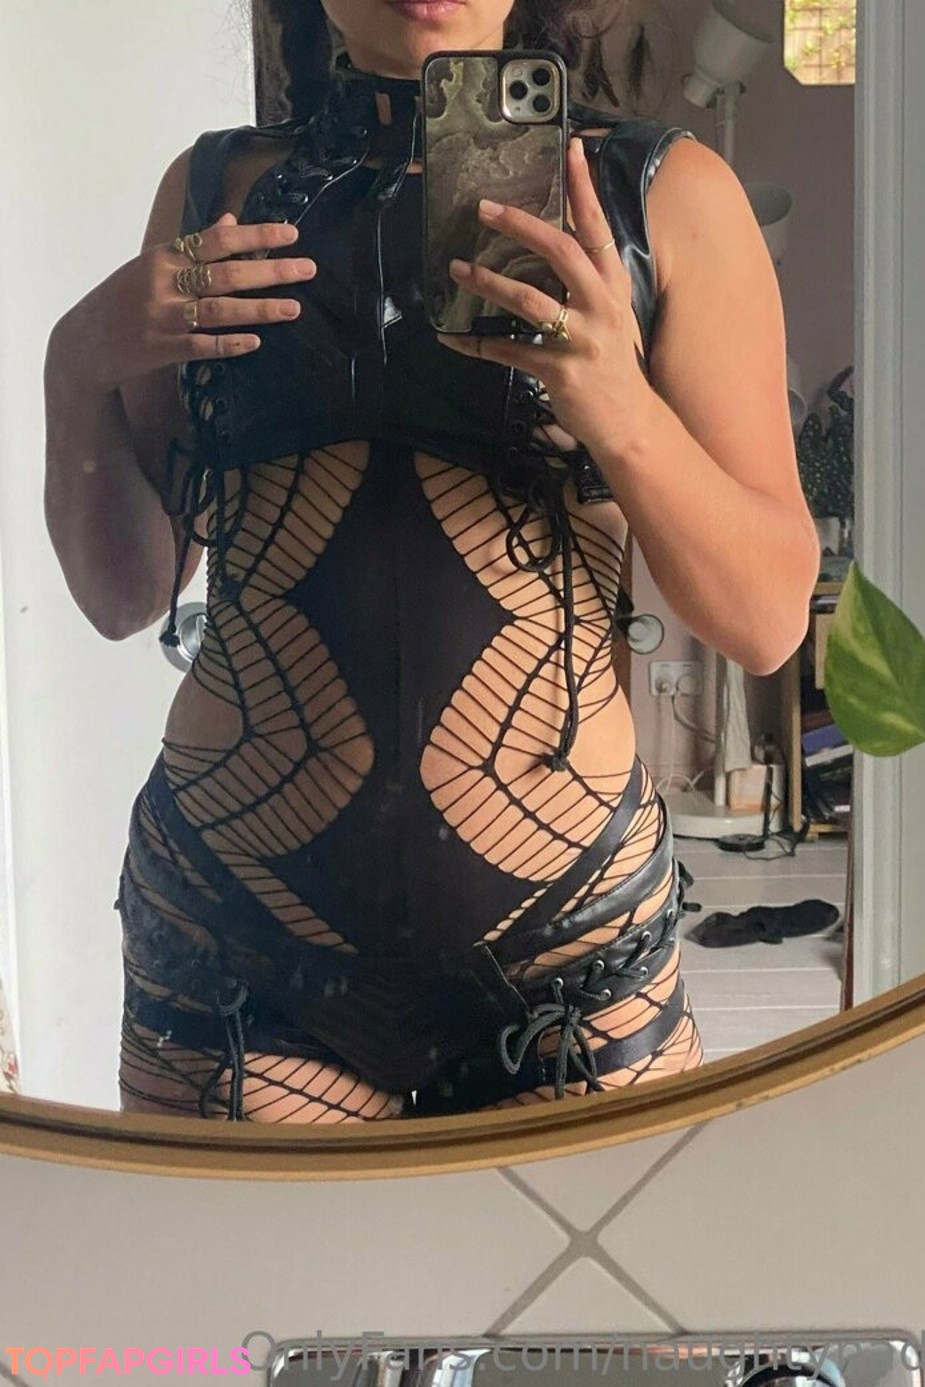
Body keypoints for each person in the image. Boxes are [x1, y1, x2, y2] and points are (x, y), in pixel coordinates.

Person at [43, 0, 820, 1122]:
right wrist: (76, 367)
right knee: (247, 1259)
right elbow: (125, 593)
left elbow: (767, 617)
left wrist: (620, 407)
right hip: (235, 956)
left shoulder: (664, 197)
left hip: (576, 960)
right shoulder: (215, 192)